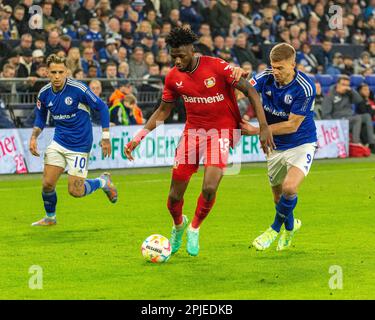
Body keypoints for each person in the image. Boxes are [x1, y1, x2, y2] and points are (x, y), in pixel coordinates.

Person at [124, 27, 273, 256]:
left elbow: (252, 92)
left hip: (222, 133)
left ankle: (194, 228)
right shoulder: (173, 76)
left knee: (210, 186)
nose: (177, 60)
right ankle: (178, 226)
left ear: (192, 50)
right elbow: (163, 111)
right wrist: (139, 137)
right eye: (173, 56)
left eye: (181, 55)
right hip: (192, 134)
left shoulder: (218, 67)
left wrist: (263, 127)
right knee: (174, 196)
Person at [240, 43, 317, 251]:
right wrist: (235, 79)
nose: (276, 72)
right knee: (277, 197)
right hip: (275, 146)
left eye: (280, 68)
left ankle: (273, 229)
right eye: (273, 66)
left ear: (293, 64)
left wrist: (258, 130)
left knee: (289, 188)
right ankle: (291, 228)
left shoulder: (305, 87)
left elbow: (292, 125)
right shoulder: (265, 78)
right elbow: (241, 92)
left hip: (301, 143)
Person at [29, 54, 118, 227]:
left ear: (66, 72)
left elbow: (102, 107)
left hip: (80, 145)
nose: (56, 76)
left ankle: (102, 182)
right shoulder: (44, 93)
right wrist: (34, 136)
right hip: (59, 141)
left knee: (75, 191)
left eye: (60, 72)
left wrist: (105, 137)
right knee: (47, 184)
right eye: (53, 72)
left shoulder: (78, 89)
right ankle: (50, 217)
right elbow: (40, 118)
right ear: (47, 72)